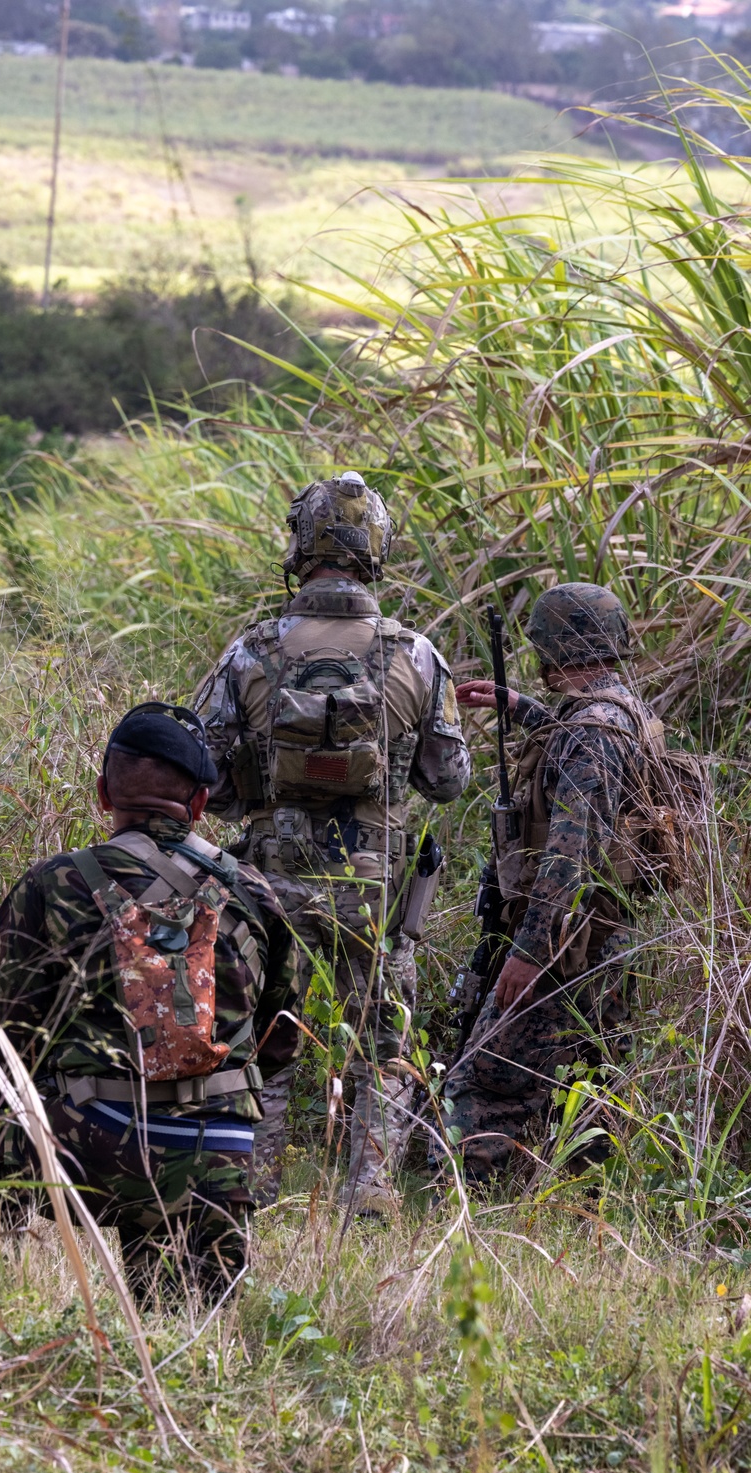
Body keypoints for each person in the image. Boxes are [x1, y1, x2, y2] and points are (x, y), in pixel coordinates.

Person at [195, 470, 470, 1214]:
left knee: (263, 1027)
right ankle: (371, 1186)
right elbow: (446, 779)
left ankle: (252, 1180)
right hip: (373, 884)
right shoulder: (415, 653)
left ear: (299, 545)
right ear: (375, 550)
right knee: (384, 1037)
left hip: (268, 881)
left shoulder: (249, 650)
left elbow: (206, 782)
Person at [0, 703, 303, 1299]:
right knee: (192, 1326)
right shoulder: (253, 893)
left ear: (103, 794)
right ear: (200, 803)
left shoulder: (52, 884)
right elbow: (281, 1041)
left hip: (92, 1151)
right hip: (215, 1161)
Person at [445, 582, 656, 1182]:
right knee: (586, 1080)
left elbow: (570, 857)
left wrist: (528, 954)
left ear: (554, 649)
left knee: (482, 1082)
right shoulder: (622, 714)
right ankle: (583, 1197)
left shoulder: (591, 734)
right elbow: (587, 759)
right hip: (605, 938)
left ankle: (456, 1199)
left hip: (564, 945)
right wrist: (521, 708)